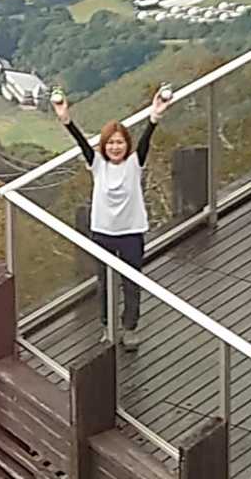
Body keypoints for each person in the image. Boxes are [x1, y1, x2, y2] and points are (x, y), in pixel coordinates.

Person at [53, 87, 170, 351]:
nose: (115, 147)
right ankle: (108, 327)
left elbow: (147, 140)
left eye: (120, 142)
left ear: (127, 145)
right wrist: (65, 119)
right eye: (110, 143)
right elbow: (81, 143)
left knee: (132, 282)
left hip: (131, 232)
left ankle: (129, 328)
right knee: (105, 283)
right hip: (103, 232)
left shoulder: (134, 163)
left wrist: (155, 116)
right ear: (104, 146)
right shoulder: (97, 165)